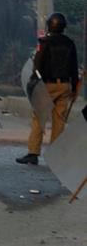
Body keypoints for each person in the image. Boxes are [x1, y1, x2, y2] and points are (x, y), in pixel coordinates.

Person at [17, 13, 80, 165]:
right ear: (63, 26)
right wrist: (74, 86)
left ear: (50, 25)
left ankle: (33, 153)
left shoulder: (44, 43)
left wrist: (34, 84)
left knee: (39, 118)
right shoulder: (70, 43)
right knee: (59, 120)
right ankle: (55, 156)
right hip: (65, 85)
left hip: (47, 85)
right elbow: (74, 66)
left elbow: (37, 67)